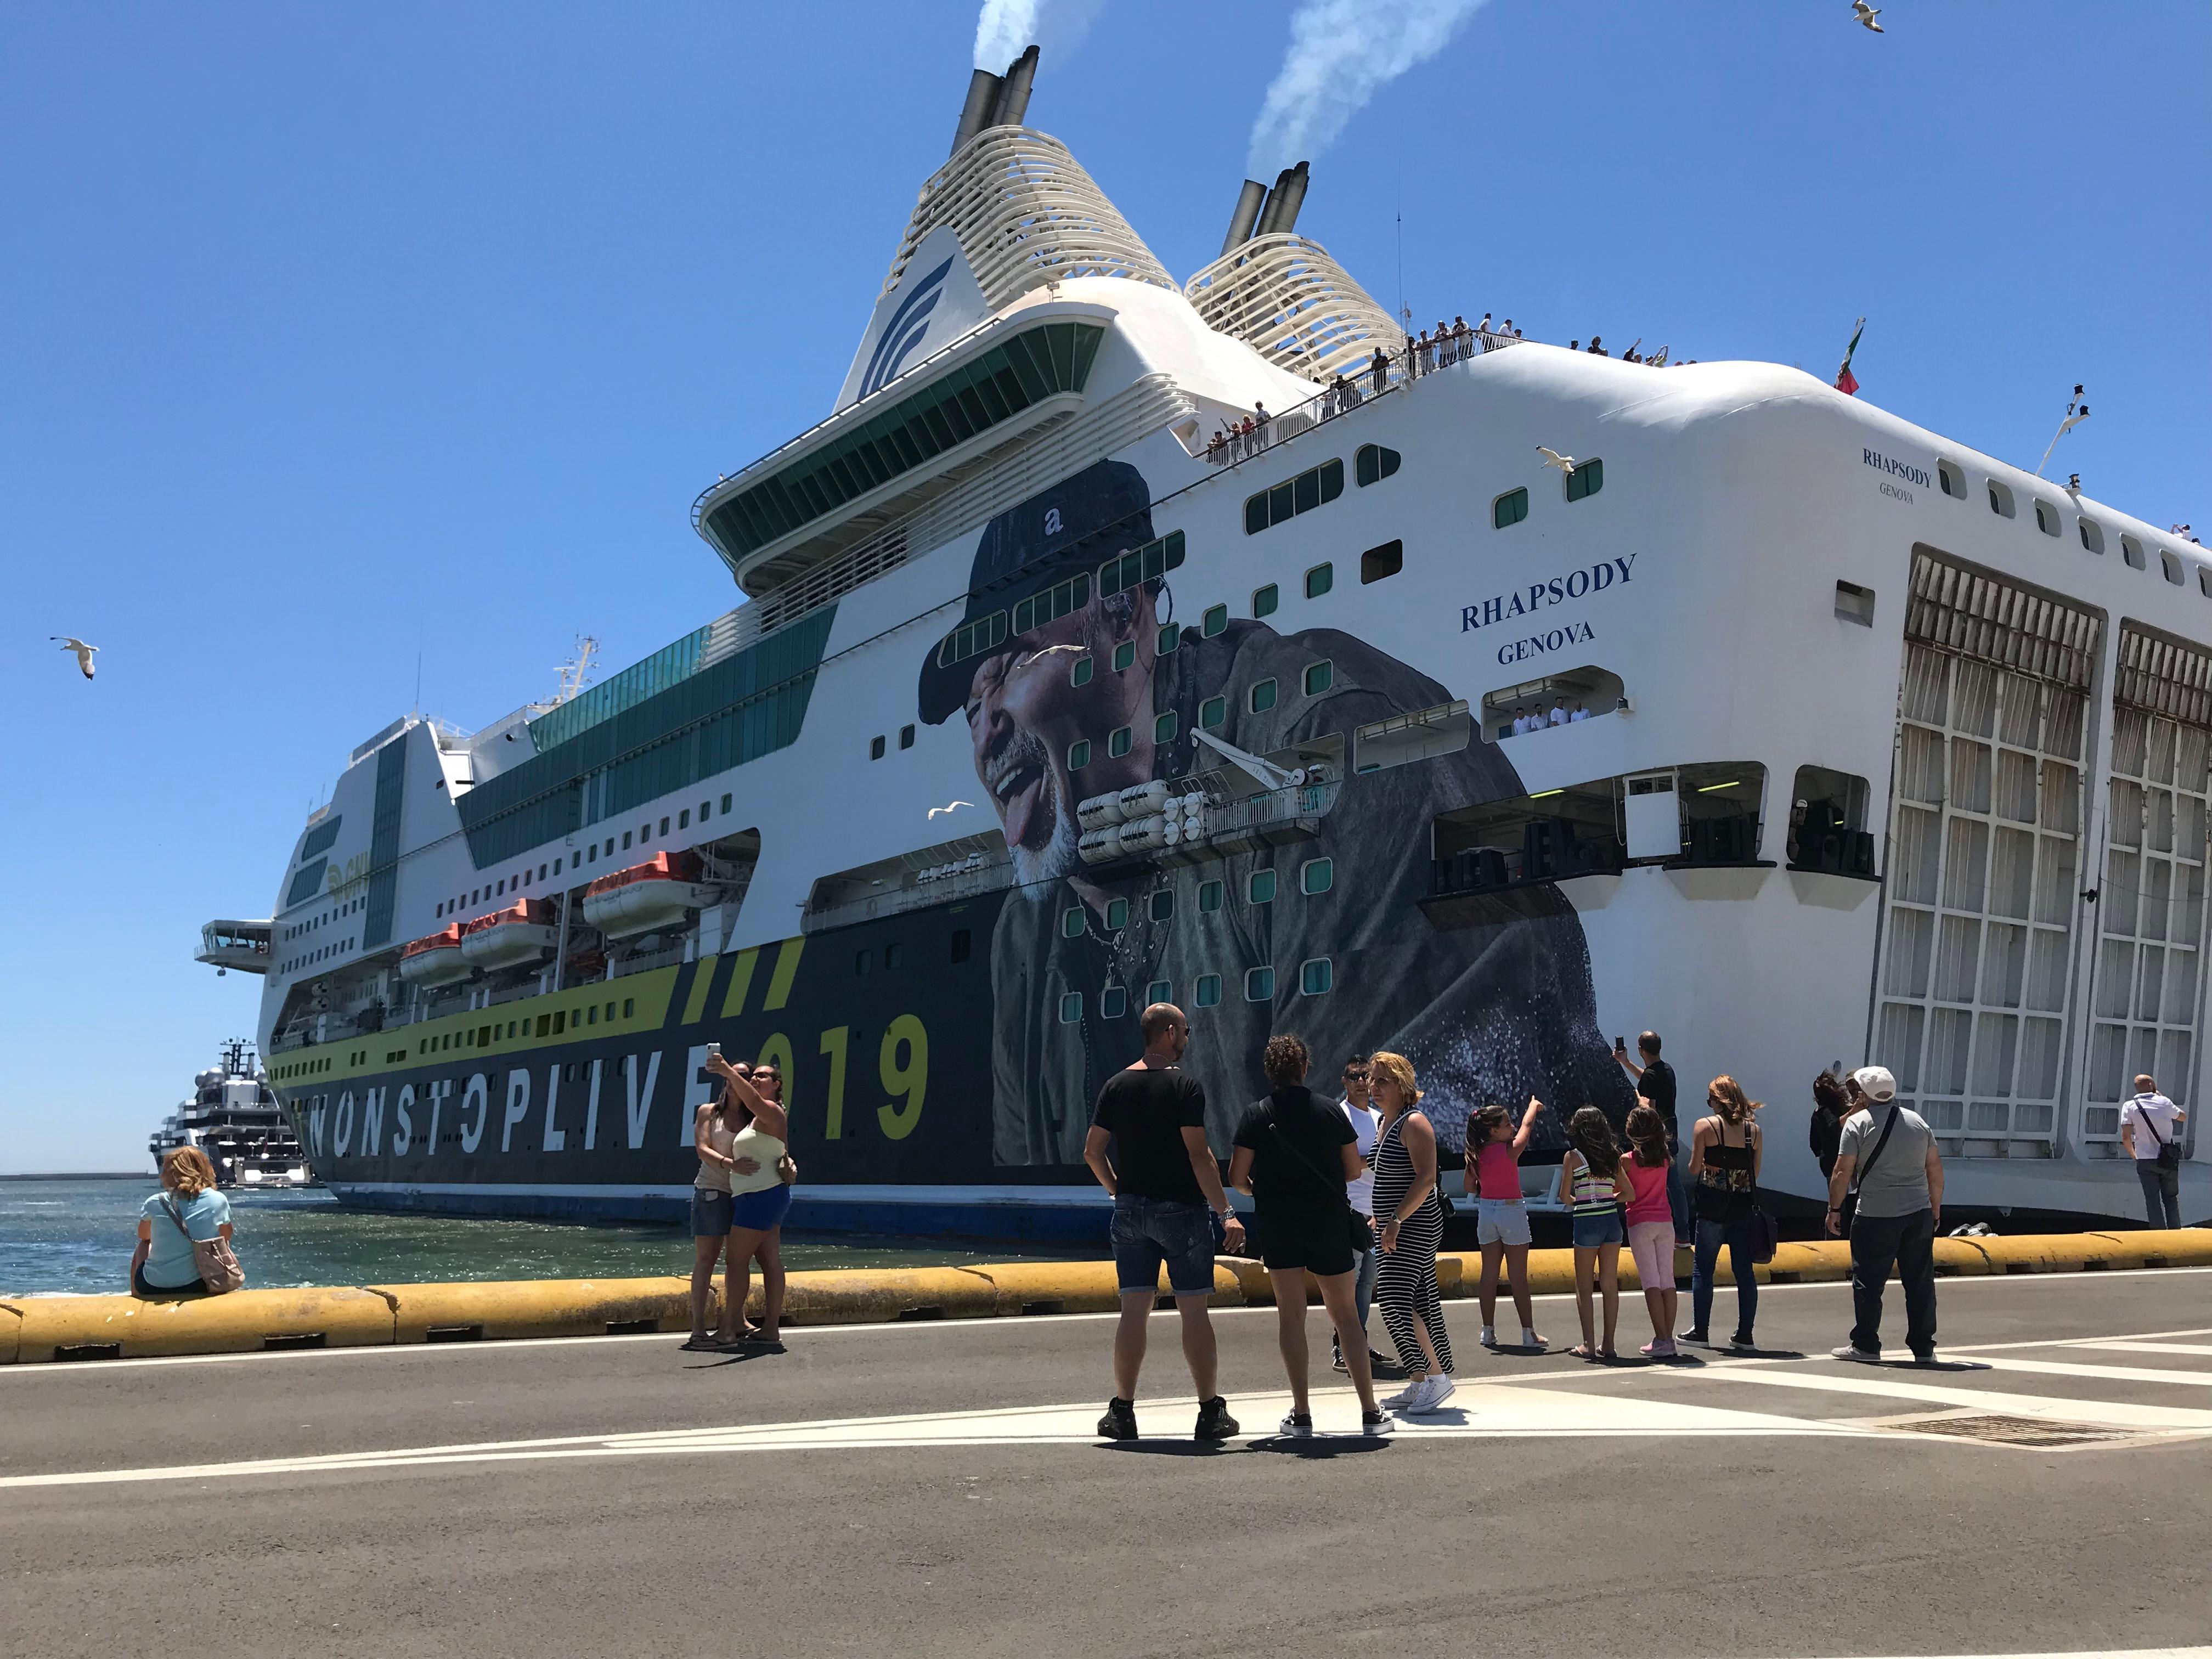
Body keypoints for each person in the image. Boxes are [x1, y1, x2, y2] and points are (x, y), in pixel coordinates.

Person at [916, 459, 1633, 1173]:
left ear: (1123, 611)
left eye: (1011, 665)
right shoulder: (1028, 933)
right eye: (972, 704)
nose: (986, 731)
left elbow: (1378, 1174)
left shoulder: (1337, 748)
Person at [1084, 1003, 1244, 1442]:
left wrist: (1118, 1191)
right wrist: (1226, 1212)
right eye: (1186, 1032)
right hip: (1182, 1212)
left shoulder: (1115, 1085)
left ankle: (1122, 1411)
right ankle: (1210, 1412)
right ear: (1170, 1032)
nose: (1188, 1039)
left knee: (1134, 1311)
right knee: (1193, 1310)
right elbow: (1199, 1155)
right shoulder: (1185, 1086)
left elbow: (1092, 1152)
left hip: (1131, 1210)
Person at [1228, 1035, 1390, 1437]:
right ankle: (1370, 1412)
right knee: (1347, 1316)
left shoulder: (1255, 1114)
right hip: (1328, 1223)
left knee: (1291, 1317)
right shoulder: (1330, 1113)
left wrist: (1260, 1191)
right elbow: (1353, 1170)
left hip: (1280, 1225)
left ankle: (1301, 1413)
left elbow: (1236, 1178)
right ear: (1305, 1068)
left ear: (1269, 1071)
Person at [1826, 1065, 1943, 1364]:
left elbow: (1842, 1171)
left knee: (1869, 1280)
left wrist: (1834, 1209)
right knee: (1919, 1282)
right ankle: (1923, 1347)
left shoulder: (1858, 1124)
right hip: (1918, 1213)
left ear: (1864, 1093)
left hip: (1876, 1214)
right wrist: (1935, 1208)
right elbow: (1934, 1170)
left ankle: (1866, 1344)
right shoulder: (1918, 1123)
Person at [1369, 1051, 1456, 1410]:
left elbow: (1426, 1178)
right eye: (1372, 1079)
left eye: (1382, 1080)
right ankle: (1421, 1380)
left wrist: (1396, 1220)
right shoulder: (1384, 1123)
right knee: (1419, 1301)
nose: (1373, 1087)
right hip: (1394, 1224)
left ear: (1402, 1084)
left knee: (1393, 1299)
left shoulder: (1414, 1123)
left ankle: (1436, 1377)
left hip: (1414, 1224)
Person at [703, 1053, 797, 1349]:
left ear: (777, 1084)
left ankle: (727, 1332)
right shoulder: (759, 1116)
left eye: (762, 1076)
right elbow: (778, 1151)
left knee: (735, 1261)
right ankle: (770, 1330)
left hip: (760, 1197)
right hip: (765, 1195)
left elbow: (755, 1103)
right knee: (769, 1261)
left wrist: (729, 1072)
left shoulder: (769, 1109)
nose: (755, 1078)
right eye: (753, 1075)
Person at [1466, 1094, 1549, 1351]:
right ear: (1494, 1130)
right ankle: (1528, 1333)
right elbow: (1526, 1128)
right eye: (1506, 1124)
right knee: (1518, 1277)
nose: (1512, 1127)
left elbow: (1469, 1186)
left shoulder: (1475, 1154)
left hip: (1486, 1212)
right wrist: (1533, 1108)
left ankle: (1487, 1331)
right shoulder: (1509, 1150)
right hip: (1511, 1211)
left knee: (1488, 1275)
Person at [1686, 1075, 1763, 1351]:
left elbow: (1694, 1169)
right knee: (1744, 1272)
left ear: (1718, 1100)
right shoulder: (1753, 1131)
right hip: (1742, 1208)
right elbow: (1755, 1173)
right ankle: (1745, 1334)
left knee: (1703, 1270)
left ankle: (1701, 1332)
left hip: (1711, 1207)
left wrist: (1709, 1162)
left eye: (1710, 1099)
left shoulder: (1705, 1126)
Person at [1561, 1107, 1631, 1359]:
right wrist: (1610, 1196)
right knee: (1610, 1284)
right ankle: (1609, 1344)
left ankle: (1588, 1345)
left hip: (1587, 1223)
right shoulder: (1612, 1156)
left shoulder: (1573, 1157)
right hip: (1611, 1222)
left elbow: (1564, 1196)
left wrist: (1580, 1200)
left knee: (1584, 1286)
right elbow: (1630, 1193)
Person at [1335, 1054, 1386, 1373]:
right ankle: (1342, 1346)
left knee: (1367, 1283)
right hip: (1349, 1210)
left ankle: (1358, 1342)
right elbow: (1340, 1166)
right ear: (1344, 1081)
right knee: (1348, 1283)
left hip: (1377, 1210)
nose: (1361, 1083)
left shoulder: (1380, 1118)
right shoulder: (1339, 1117)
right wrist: (1373, 1161)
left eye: (1366, 1076)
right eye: (1354, 1077)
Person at [1614, 1031, 1688, 1245]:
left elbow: (1650, 1108)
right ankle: (1682, 1232)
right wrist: (1626, 1063)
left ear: (1641, 1050)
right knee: (1674, 1184)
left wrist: (1641, 1103)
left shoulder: (1650, 1077)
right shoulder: (1667, 1070)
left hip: (1656, 1135)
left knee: (1657, 1183)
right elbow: (1647, 1078)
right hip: (1671, 1130)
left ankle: (1659, 1227)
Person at [132, 1146, 235, 1299]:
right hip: (203, 1283)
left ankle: (135, 1295)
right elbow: (226, 1236)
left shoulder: (155, 1201)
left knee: (144, 1245)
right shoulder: (218, 1199)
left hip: (153, 1285)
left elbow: (143, 1235)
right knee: (220, 1242)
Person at [1621, 1106, 1678, 1357]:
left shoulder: (1627, 1161)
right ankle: (1669, 1338)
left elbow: (1621, 1190)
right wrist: (1646, 1105)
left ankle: (1661, 1337)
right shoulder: (1664, 1159)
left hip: (1640, 1223)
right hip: (1666, 1222)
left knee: (1651, 1284)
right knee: (1668, 1282)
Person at [2119, 1073, 2187, 1230]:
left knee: (2152, 1199)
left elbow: (2126, 1137)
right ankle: (2175, 1231)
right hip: (2167, 1158)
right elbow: (2182, 1117)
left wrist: (2134, 1156)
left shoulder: (2129, 1106)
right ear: (2151, 1085)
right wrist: (2161, 1097)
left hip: (2145, 1159)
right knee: (2170, 1198)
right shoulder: (2163, 1102)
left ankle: (2158, 1234)